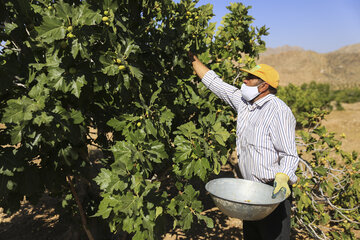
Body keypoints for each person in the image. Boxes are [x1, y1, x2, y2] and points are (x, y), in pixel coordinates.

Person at [189, 53, 300, 240]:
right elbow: (216, 83)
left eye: (249, 78)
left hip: (272, 194)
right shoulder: (245, 104)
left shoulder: (278, 111)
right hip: (250, 194)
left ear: (264, 85)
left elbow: (289, 154)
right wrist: (192, 59)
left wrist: (283, 177)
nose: (245, 81)